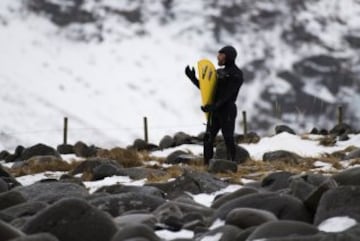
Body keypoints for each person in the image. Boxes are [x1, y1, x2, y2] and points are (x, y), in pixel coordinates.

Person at [185, 45, 243, 165]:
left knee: (228, 138)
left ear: (228, 56)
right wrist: (193, 78)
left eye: (221, 54)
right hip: (215, 111)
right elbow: (206, 89)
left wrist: (213, 106)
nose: (218, 57)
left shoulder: (236, 74)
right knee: (208, 139)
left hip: (227, 110)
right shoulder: (218, 72)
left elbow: (228, 95)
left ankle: (232, 165)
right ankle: (207, 166)